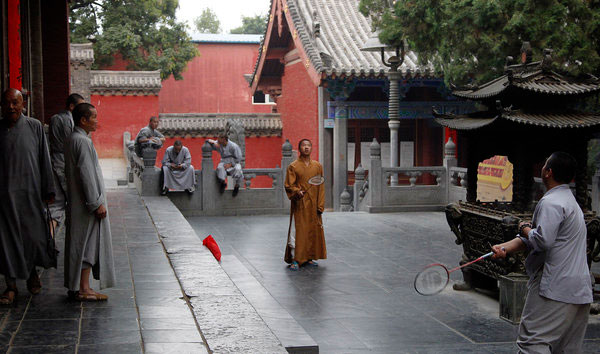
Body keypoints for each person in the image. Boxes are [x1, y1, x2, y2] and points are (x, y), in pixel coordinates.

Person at [491, 151, 592, 353]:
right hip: (579, 288)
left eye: (545, 164)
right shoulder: (570, 202)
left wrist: (524, 227)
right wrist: (505, 247)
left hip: (555, 287)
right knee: (567, 348)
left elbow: (542, 240)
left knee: (532, 343)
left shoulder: (551, 203)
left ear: (548, 172)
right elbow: (537, 238)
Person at [0, 88, 56, 304]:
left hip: (30, 193)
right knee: (6, 241)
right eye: (7, 103)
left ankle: (32, 272)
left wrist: (48, 189)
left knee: (32, 238)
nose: (11, 107)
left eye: (15, 103)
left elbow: (44, 158)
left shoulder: (34, 126)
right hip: (4, 197)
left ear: (23, 104)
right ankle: (11, 285)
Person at [65, 102, 116, 301]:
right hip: (86, 204)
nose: (96, 121)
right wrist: (96, 203)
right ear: (83, 120)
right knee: (88, 244)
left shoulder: (72, 138)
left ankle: (77, 285)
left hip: (77, 201)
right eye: (93, 117)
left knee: (78, 242)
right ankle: (84, 288)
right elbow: (86, 175)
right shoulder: (83, 142)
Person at [284, 139, 327, 271]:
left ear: (312, 148)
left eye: (309, 145)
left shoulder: (317, 166)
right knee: (298, 231)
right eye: (304, 145)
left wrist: (320, 205)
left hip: (314, 204)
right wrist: (297, 192)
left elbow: (321, 186)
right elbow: (289, 185)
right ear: (299, 148)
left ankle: (309, 257)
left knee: (312, 230)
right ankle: (296, 259)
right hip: (300, 204)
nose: (306, 148)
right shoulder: (293, 166)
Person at [48, 93, 85, 233]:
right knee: (72, 199)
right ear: (71, 106)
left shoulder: (54, 118)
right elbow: (72, 142)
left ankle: (50, 236)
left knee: (56, 203)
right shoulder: (69, 120)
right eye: (79, 105)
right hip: (65, 162)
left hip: (54, 161)